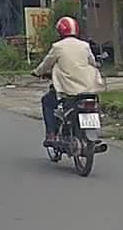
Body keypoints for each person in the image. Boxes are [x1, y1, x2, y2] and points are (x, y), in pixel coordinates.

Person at [33, 16, 104, 145]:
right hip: (88, 88)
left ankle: (51, 134)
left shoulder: (58, 47)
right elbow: (92, 63)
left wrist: (37, 72)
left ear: (60, 31)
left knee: (47, 101)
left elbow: (46, 64)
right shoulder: (84, 46)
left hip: (68, 88)